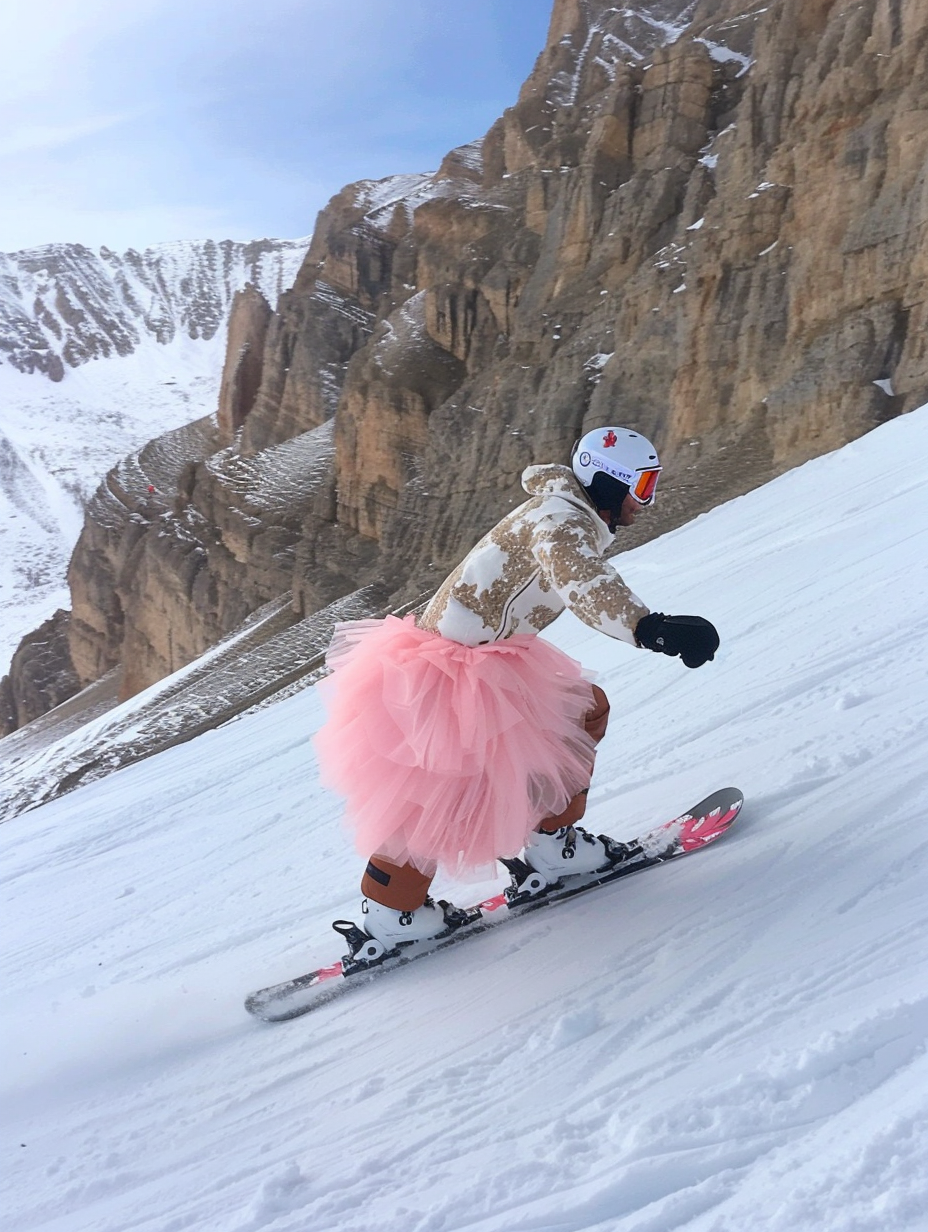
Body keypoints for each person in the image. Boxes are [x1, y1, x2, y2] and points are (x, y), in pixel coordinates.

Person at [314, 426, 719, 958]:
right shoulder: (559, 523)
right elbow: (585, 584)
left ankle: (553, 848)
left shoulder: (565, 511)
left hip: (480, 657)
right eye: (641, 486)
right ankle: (395, 912)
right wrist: (652, 628)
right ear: (607, 482)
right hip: (456, 671)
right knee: (443, 785)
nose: (647, 500)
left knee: (574, 719)